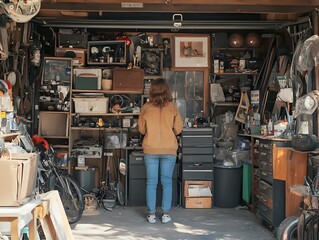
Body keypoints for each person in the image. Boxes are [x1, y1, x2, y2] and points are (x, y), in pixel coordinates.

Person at [138, 78, 183, 224]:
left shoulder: (146, 107)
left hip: (150, 148)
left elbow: (141, 129)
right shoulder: (173, 107)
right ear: (167, 91)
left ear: (152, 91)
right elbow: (178, 129)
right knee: (167, 183)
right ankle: (165, 214)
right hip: (169, 149)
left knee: (151, 183)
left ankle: (151, 214)